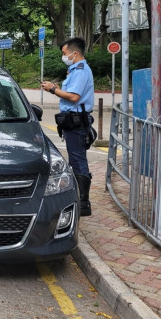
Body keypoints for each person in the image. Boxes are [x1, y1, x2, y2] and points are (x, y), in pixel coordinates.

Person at [41, 37, 95, 216]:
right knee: (76, 159)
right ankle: (80, 199)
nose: (64, 56)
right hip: (73, 121)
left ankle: (83, 203)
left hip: (76, 121)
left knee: (78, 160)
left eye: (65, 53)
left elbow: (73, 97)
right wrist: (56, 88)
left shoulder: (80, 71)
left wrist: (52, 89)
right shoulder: (75, 70)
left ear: (75, 53)